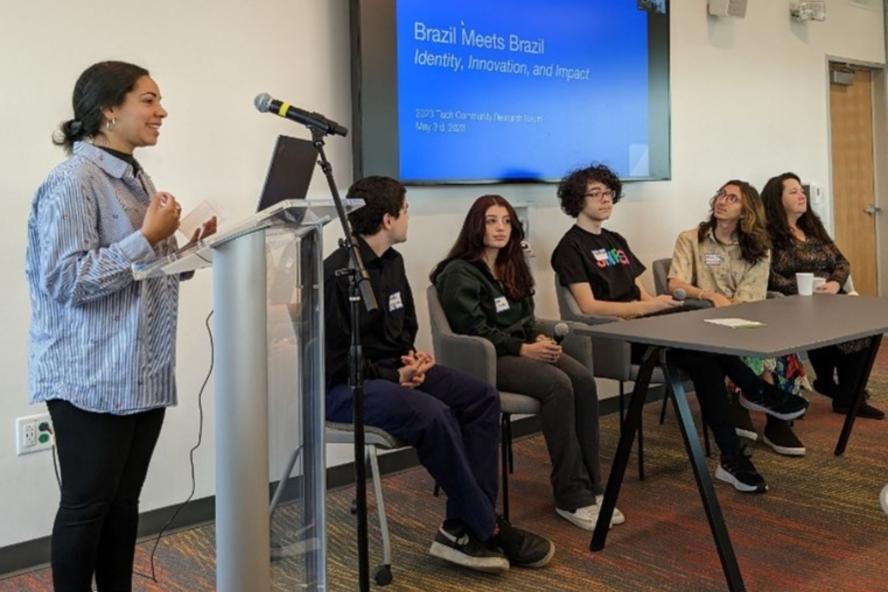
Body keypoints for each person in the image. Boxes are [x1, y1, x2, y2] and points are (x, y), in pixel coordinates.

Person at [26, 61, 215, 592]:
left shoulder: (135, 177)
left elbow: (142, 273)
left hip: (140, 370)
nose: (162, 111)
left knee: (124, 504)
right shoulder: (71, 182)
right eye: (149, 100)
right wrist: (146, 237)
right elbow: (65, 280)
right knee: (87, 507)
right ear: (110, 110)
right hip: (91, 376)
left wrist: (186, 245)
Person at [325, 176, 553, 574]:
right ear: (387, 218)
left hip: (396, 370)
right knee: (434, 413)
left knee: (482, 397)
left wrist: (412, 360)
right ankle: (489, 527)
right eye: (407, 210)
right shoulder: (337, 274)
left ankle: (459, 528)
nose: (410, 217)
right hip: (348, 386)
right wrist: (395, 375)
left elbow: (404, 325)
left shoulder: (392, 263)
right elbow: (337, 358)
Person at [551, 164, 807, 493]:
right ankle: (755, 396)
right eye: (596, 194)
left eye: (609, 193)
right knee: (705, 352)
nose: (606, 199)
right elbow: (588, 307)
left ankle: (733, 454)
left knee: (705, 355)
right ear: (576, 199)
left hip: (649, 325)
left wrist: (657, 303)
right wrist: (646, 308)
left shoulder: (615, 240)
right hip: (617, 335)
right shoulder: (570, 247)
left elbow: (639, 290)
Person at [431, 194, 623, 532]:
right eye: (492, 221)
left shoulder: (510, 264)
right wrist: (522, 348)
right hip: (487, 358)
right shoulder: (458, 273)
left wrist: (537, 339)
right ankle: (570, 496)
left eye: (506, 221)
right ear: (476, 225)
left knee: (582, 378)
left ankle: (592, 486)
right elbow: (472, 331)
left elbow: (525, 318)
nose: (501, 228)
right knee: (558, 385)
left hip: (519, 349)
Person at [667, 180, 808, 457]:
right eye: (720, 194)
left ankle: (775, 423)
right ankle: (757, 397)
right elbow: (674, 284)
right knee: (745, 343)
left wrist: (729, 308)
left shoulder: (758, 247)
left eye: (732, 198)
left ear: (746, 211)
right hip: (700, 319)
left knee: (781, 347)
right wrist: (709, 295)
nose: (722, 201)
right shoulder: (690, 238)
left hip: (743, 315)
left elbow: (750, 298)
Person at [761, 172, 884, 419]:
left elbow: (842, 262)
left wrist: (835, 284)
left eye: (801, 191)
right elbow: (770, 277)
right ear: (777, 198)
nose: (801, 195)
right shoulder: (769, 235)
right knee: (842, 332)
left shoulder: (812, 228)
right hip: (794, 303)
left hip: (830, 298)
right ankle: (843, 393)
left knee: (866, 331)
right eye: (793, 191)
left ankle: (844, 394)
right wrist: (806, 290)